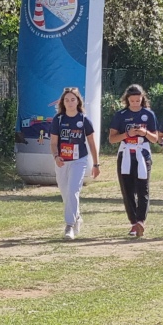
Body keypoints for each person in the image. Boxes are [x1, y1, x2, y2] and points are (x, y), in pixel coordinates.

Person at [50, 87, 100, 239]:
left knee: (73, 191)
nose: (70, 103)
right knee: (66, 194)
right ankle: (77, 216)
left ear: (78, 101)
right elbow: (53, 143)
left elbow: (91, 143)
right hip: (62, 162)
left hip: (79, 160)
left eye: (73, 99)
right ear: (62, 102)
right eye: (67, 100)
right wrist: (56, 156)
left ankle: (69, 226)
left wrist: (96, 164)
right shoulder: (58, 120)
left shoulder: (84, 120)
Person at [109, 84, 159, 237]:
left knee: (143, 187)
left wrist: (145, 132)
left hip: (142, 153)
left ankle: (140, 221)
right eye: (132, 101)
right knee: (127, 189)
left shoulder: (148, 114)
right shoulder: (121, 115)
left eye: (138, 100)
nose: (135, 103)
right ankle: (133, 223)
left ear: (142, 99)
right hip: (125, 153)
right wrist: (127, 134)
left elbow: (155, 138)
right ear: (127, 100)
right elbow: (112, 138)